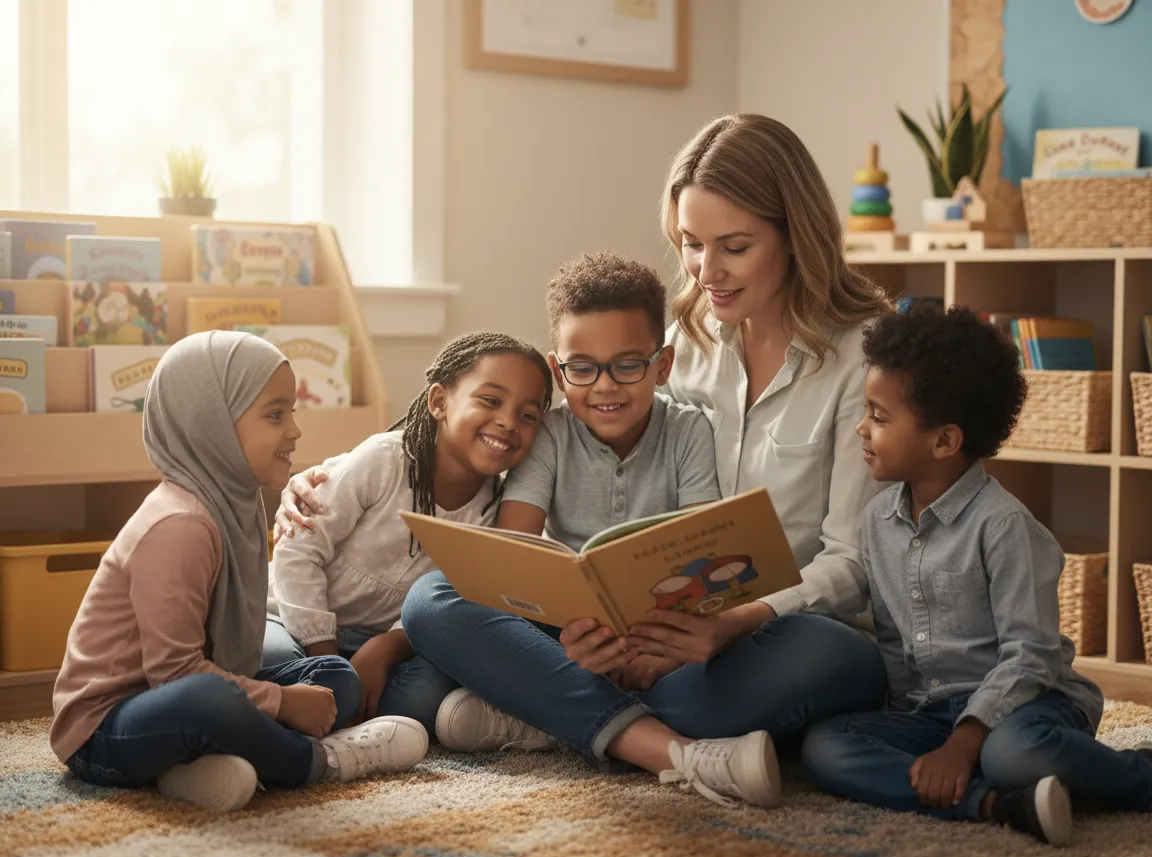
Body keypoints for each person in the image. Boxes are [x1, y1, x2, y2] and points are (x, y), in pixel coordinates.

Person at [282, 115, 890, 809]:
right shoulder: (681, 343)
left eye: (735, 247)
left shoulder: (861, 358)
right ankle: (660, 743)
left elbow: (850, 562)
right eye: (690, 245)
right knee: (433, 599)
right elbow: (522, 431)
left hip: (776, 629)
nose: (706, 272)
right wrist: (332, 474)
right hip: (648, 622)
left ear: (794, 234)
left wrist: (728, 625)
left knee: (817, 667)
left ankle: (550, 706)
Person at [801, 306, 1152, 847]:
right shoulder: (876, 520)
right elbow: (894, 641)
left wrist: (963, 744)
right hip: (933, 711)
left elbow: (1030, 656)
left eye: (879, 416)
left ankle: (1131, 776)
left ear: (944, 442)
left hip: (1029, 702)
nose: (860, 428)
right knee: (825, 746)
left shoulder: (1005, 526)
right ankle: (993, 803)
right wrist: (917, 732)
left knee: (1014, 753)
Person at [50, 331, 427, 814]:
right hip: (106, 729)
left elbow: (222, 665)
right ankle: (318, 761)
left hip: (191, 696)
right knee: (210, 700)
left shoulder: (234, 502)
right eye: (275, 414)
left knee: (335, 675)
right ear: (211, 425)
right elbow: (174, 676)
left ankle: (193, 768)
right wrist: (282, 703)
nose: (294, 430)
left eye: (292, 411)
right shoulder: (180, 526)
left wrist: (286, 695)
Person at [265, 332, 553, 735]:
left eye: (528, 415)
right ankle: (325, 721)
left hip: (381, 646)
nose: (508, 421)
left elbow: (453, 603)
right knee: (264, 656)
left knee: (424, 697)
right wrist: (326, 657)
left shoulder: (497, 514)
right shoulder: (383, 460)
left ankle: (335, 722)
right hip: (291, 622)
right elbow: (298, 553)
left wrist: (384, 648)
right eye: (490, 400)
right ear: (439, 402)